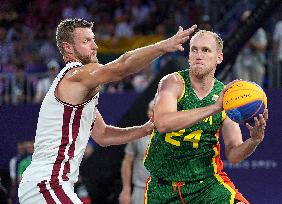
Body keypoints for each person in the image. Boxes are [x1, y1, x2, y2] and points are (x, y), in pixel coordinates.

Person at [18, 18, 197, 204]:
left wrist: (144, 129)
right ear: (68, 48)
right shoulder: (75, 74)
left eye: (93, 39)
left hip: (51, 184)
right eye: (86, 41)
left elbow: (103, 135)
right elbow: (122, 67)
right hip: (47, 183)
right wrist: (163, 46)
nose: (95, 46)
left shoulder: (78, 94)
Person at [143, 30, 268, 204]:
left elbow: (233, 153)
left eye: (206, 50)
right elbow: (163, 123)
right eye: (194, 50)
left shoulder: (228, 97)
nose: (198, 55)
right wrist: (214, 108)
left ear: (219, 57)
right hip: (163, 189)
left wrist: (254, 140)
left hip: (207, 186)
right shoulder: (173, 83)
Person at [119, 100, 153, 204]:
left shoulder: (174, 135)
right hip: (141, 190)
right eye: (152, 110)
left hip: (167, 190)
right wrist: (126, 190)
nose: (155, 113)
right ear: (148, 112)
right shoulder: (138, 135)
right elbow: (127, 162)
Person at [233, 10, 268, 86]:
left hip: (256, 62)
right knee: (243, 87)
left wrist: (251, 43)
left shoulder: (259, 31)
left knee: (256, 87)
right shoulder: (239, 32)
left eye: (248, 19)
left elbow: (263, 47)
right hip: (241, 62)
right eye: (244, 20)